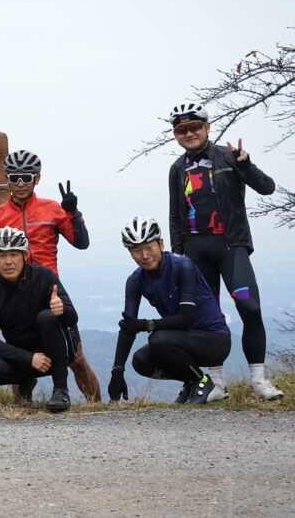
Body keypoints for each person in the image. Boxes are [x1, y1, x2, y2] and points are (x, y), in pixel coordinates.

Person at [166, 102, 282, 401]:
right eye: (181, 130)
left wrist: (246, 165)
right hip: (195, 252)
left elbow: (267, 188)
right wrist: (178, 257)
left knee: (250, 308)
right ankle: (217, 384)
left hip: (230, 246)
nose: (188, 133)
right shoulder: (177, 168)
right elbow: (175, 215)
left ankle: (258, 380)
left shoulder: (229, 157)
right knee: (207, 317)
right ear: (175, 135)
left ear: (207, 127)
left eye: (195, 127)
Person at [0, 149, 101, 402]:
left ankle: (97, 406)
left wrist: (73, 213)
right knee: (17, 351)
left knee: (76, 357)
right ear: (6, 178)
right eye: (14, 177)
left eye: (26, 177)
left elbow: (81, 243)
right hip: (12, 293)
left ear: (37, 178)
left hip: (48, 289)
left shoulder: (52, 209)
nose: (20, 183)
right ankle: (21, 403)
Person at [108, 217, 231, 405]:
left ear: (161, 244)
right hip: (182, 341)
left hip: (215, 341)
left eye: (149, 247)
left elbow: (186, 318)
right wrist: (117, 372)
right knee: (141, 361)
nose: (145, 255)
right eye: (137, 250)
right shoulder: (135, 280)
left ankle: (202, 382)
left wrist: (145, 325)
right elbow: (128, 327)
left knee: (158, 339)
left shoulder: (183, 266)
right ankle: (192, 380)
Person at [0, 226, 76, 413]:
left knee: (47, 317)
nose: (8, 262)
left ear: (25, 255)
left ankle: (61, 390)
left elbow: (72, 318)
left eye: (14, 254)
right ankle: (26, 381)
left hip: (55, 351)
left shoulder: (44, 276)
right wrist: (28, 358)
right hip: (22, 355)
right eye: (1, 256)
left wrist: (61, 310)